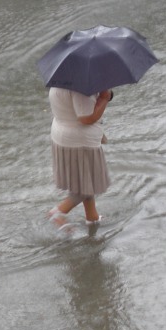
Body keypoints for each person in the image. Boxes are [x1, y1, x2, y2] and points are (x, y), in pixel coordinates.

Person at [47, 87, 112, 226]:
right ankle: (59, 212)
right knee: (90, 184)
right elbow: (86, 118)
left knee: (83, 180)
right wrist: (104, 99)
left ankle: (92, 217)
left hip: (62, 135)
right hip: (79, 142)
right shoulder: (81, 90)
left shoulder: (59, 83)